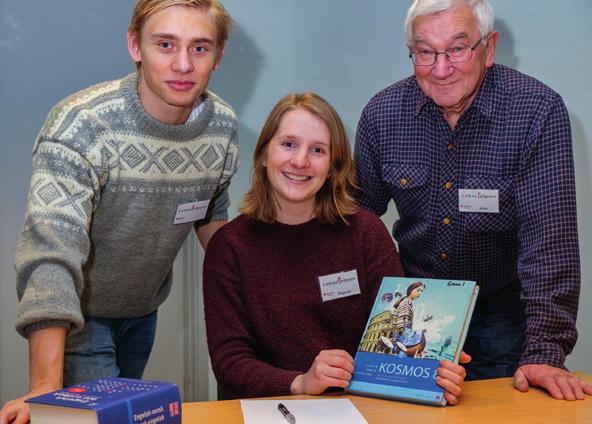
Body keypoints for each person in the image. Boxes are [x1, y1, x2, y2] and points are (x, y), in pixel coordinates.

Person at [1, 1, 237, 423]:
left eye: (200, 48)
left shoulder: (222, 126)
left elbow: (211, 212)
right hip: (81, 314)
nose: (182, 64)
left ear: (218, 57)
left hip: (143, 309)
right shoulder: (81, 124)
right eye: (165, 44)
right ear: (135, 46)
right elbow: (51, 253)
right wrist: (43, 388)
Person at [354, 0, 592, 401]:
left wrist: (544, 351)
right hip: (418, 312)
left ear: (489, 47)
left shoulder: (536, 110)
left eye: (457, 49)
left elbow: (548, 243)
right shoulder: (383, 114)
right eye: (425, 52)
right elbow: (355, 221)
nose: (441, 68)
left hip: (501, 310)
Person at [203, 92, 468, 404]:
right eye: (288, 144)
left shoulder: (365, 233)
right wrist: (300, 382)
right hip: (267, 409)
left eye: (318, 150)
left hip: (357, 407)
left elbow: (395, 330)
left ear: (332, 166)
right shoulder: (229, 247)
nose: (300, 161)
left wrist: (431, 365)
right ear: (263, 154)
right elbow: (230, 364)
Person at [392, 281, 425, 349]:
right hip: (401, 333)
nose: (420, 293)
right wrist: (404, 332)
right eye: (418, 290)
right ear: (411, 290)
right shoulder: (406, 302)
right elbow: (403, 318)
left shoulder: (406, 301)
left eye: (421, 291)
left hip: (399, 332)